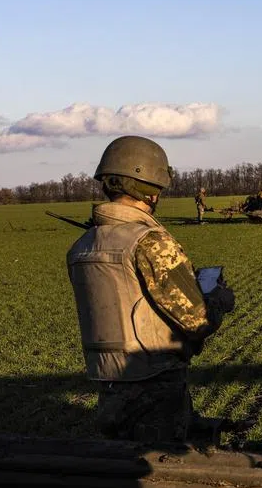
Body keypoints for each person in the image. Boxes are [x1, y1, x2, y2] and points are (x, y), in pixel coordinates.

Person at [66, 135, 236, 446]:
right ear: (151, 189)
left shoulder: (83, 245)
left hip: (108, 384)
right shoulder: (150, 241)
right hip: (155, 387)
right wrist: (218, 299)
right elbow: (197, 321)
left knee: (120, 460)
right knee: (160, 466)